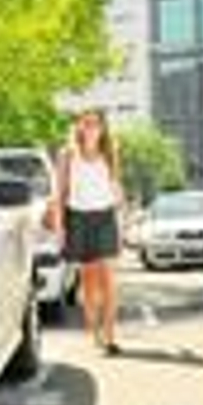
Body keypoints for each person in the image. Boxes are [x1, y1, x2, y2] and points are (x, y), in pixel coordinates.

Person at [51, 109, 124, 354]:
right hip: (78, 219)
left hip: (105, 217)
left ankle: (110, 336)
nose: (92, 128)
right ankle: (95, 333)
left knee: (110, 281)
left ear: (103, 128)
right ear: (80, 127)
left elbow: (115, 184)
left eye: (97, 124)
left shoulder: (110, 151)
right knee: (89, 282)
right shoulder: (67, 154)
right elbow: (60, 194)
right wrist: (60, 226)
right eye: (87, 123)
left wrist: (122, 215)